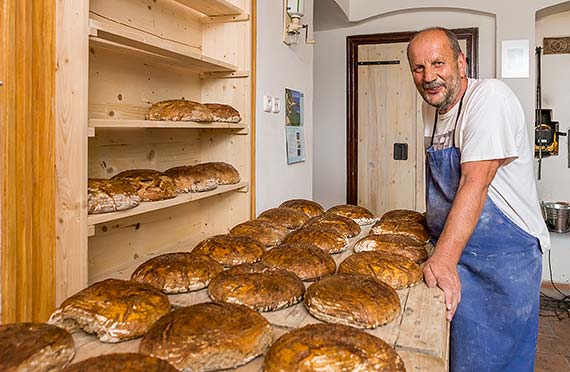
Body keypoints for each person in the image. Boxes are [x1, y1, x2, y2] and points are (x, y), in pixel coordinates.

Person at [406, 27, 549, 372]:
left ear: (461, 62)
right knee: (457, 357)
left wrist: (442, 259)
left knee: (493, 360)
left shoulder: (490, 98)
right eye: (418, 68)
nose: (429, 77)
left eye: (438, 63)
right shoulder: (434, 109)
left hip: (503, 259)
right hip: (458, 250)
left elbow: (475, 182)